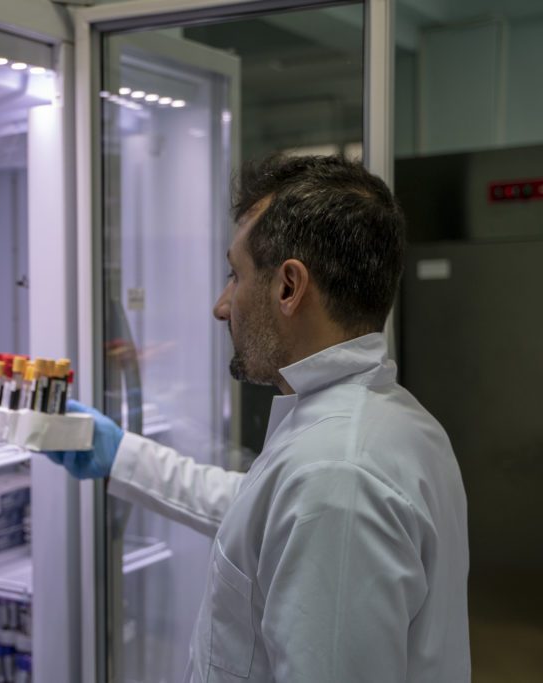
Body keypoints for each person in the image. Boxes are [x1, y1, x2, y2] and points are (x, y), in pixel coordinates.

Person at [45, 155, 470, 682]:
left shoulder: (338, 476)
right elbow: (257, 513)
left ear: (289, 287)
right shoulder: (385, 422)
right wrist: (120, 456)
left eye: (235, 274)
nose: (222, 306)